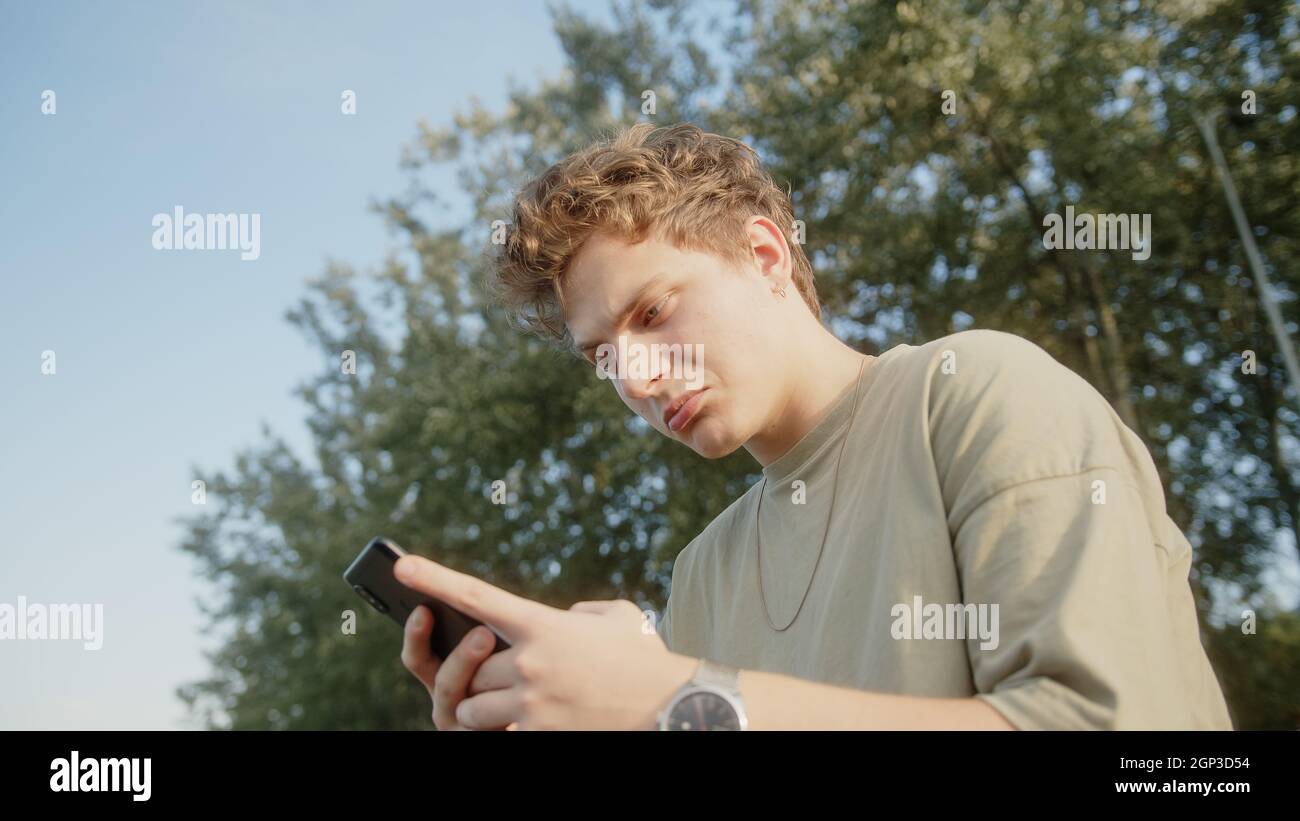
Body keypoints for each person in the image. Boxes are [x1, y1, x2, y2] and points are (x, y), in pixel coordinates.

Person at [395, 123, 1233, 730]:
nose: (638, 378)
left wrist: (673, 696)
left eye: (652, 311)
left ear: (764, 255)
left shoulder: (975, 392)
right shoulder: (702, 575)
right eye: (602, 357)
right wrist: (619, 699)